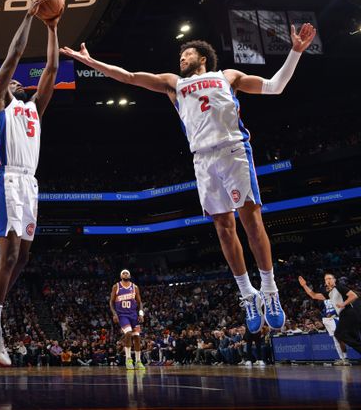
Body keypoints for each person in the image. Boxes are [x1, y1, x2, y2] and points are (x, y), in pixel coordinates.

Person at [62, 24, 317, 333]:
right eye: (181, 54)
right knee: (224, 229)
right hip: (203, 159)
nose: (182, 58)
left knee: (251, 221)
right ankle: (247, 294)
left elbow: (275, 86)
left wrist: (295, 52)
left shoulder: (229, 77)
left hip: (233, 150)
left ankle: (269, 289)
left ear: (204, 58)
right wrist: (91, 62)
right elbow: (129, 77)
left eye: (188, 53)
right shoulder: (174, 84)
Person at [0, 0, 62, 367]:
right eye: (12, 82)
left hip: (30, 183)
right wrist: (28, 17)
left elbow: (52, 71)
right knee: (8, 255)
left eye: (19, 83)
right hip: (6, 179)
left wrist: (53, 27)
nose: (17, 82)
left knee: (23, 257)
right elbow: (14, 57)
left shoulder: (34, 108)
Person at [299, 274, 359, 360]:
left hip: (347, 313)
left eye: (330, 278)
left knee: (339, 334)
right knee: (353, 337)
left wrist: (343, 304)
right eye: (326, 279)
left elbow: (354, 296)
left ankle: (345, 358)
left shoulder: (339, 287)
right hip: (344, 315)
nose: (328, 280)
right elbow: (314, 295)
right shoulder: (330, 293)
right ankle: (346, 357)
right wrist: (304, 285)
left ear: (334, 280)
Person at [109, 270, 145, 370]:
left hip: (133, 315)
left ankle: (138, 361)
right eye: (123, 273)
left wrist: (141, 313)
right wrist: (114, 314)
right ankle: (128, 359)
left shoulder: (135, 287)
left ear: (130, 275)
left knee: (137, 337)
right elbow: (111, 302)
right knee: (128, 333)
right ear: (121, 276)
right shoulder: (116, 286)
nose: (125, 274)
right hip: (122, 315)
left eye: (127, 273)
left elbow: (140, 302)